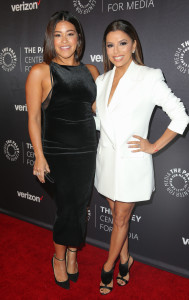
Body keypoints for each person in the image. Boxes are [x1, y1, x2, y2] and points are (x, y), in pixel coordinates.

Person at [94, 19, 189, 295]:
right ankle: (126, 258)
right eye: (110, 45)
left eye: (122, 43)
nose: (116, 50)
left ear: (134, 45)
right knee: (116, 218)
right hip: (106, 162)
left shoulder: (149, 76)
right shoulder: (102, 80)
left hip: (132, 163)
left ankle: (109, 267)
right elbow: (101, 123)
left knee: (122, 220)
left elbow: (181, 115)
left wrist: (154, 146)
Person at [25, 11, 99, 290]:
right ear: (50, 39)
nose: (64, 40)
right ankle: (59, 258)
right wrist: (39, 156)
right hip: (57, 152)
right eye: (57, 35)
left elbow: (96, 110)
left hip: (86, 149)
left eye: (70, 34)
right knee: (67, 208)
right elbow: (33, 118)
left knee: (81, 206)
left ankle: (72, 253)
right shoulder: (40, 71)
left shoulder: (91, 71)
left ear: (79, 39)